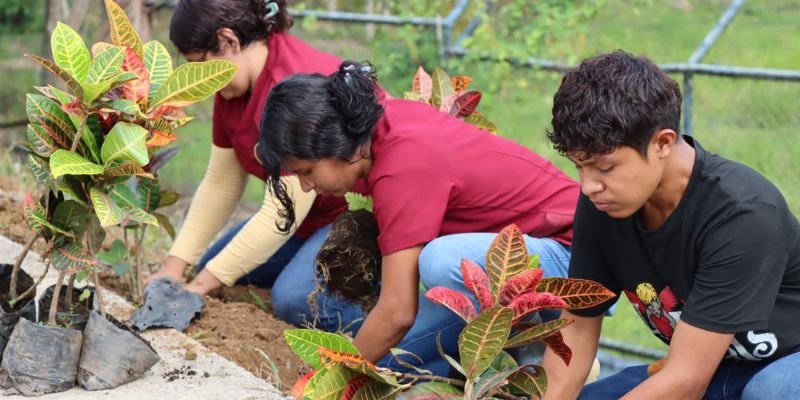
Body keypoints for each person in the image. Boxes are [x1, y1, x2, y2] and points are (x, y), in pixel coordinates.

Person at [256, 61, 580, 376]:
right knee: (383, 360)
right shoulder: (383, 122)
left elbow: (397, 312)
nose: (305, 185)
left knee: (428, 280)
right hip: (512, 258)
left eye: (307, 171)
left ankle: (521, 354)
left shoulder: (402, 167)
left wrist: (327, 380)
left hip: (570, 256)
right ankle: (498, 367)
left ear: (342, 147)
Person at [542, 50, 800, 399]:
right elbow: (575, 333)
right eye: (579, 166)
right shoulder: (602, 203)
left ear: (662, 143)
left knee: (771, 392)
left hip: (784, 367)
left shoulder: (743, 215)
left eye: (604, 168)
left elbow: (687, 380)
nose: (588, 186)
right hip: (707, 368)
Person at [146, 0, 348, 325]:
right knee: (218, 267)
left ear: (228, 41)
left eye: (199, 65)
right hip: (307, 220)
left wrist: (196, 288)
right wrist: (174, 268)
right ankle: (308, 262)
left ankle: (370, 297)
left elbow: (283, 211)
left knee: (294, 299)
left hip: (356, 217)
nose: (199, 81)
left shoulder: (292, 87)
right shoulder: (230, 91)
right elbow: (221, 184)